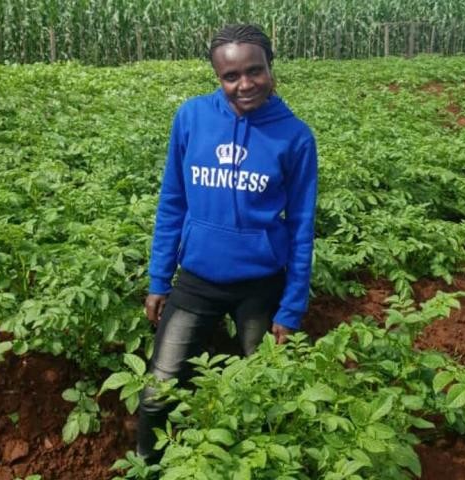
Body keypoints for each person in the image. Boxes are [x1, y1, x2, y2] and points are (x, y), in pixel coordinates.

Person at [137, 24, 317, 462]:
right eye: (230, 76)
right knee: (158, 389)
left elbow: (301, 228)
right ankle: (147, 465)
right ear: (217, 76)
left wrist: (291, 308)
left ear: (271, 67)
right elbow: (172, 202)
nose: (245, 84)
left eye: (255, 71)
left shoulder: (295, 137)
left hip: (261, 285)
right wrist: (159, 279)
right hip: (197, 279)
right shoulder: (191, 118)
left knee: (265, 391)